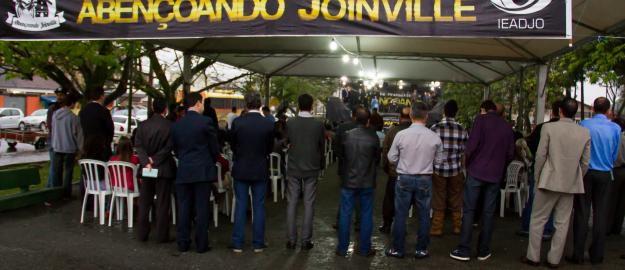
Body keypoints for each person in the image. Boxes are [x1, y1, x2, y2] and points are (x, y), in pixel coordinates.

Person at [521, 98, 590, 268]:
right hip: (570, 183)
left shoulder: (549, 128)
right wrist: (576, 176)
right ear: (576, 113)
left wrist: (537, 178)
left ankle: (533, 257)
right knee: (562, 223)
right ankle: (554, 260)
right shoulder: (584, 133)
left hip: (548, 180)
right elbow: (585, 163)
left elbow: (540, 156)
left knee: (538, 219)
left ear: (560, 111)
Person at [450, 100, 514, 262]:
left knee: (470, 210)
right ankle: (483, 250)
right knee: (488, 213)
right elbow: (510, 153)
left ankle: (464, 249)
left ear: (483, 109)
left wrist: (468, 165)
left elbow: (471, 146)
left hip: (476, 172)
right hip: (495, 176)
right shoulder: (507, 127)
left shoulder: (481, 120)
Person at [385, 102, 442, 259]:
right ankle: (421, 249)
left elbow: (391, 157)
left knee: (401, 214)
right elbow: (439, 162)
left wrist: (402, 164)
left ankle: (398, 249)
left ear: (411, 115)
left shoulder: (401, 135)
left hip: (404, 177)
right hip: (425, 179)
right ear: (426, 117)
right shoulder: (434, 137)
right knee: (424, 215)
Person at [568, 97, 621, 265]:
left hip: (586, 172)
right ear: (608, 110)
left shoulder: (584, 124)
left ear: (593, 108)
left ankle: (577, 254)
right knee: (601, 214)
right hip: (605, 173)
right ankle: (597, 255)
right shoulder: (615, 128)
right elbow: (615, 153)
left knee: (582, 212)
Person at [171, 93, 220, 253]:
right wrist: (211, 160)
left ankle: (183, 242)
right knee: (202, 207)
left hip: (184, 169)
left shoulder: (177, 124)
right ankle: (201, 244)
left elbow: (175, 149)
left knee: (184, 207)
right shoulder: (206, 122)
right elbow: (214, 148)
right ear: (198, 103)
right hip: (203, 170)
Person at [228, 92, 274, 253]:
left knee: (240, 204)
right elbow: (270, 148)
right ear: (260, 104)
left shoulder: (238, 122)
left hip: (241, 167)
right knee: (259, 206)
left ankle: (237, 243)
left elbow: (232, 145)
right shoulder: (268, 123)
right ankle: (258, 243)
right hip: (260, 167)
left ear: (246, 104)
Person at [336, 107, 380, 257]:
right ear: (368, 121)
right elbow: (377, 159)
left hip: (348, 181)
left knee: (345, 214)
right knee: (366, 215)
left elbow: (340, 156)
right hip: (367, 181)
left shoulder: (347, 136)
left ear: (355, 118)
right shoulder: (373, 137)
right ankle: (364, 249)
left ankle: (342, 249)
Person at [285, 94, 325, 250]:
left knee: (292, 203)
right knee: (309, 204)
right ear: (312, 105)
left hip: (294, 167)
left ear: (298, 105)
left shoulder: (291, 122)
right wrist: (321, 164)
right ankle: (305, 240)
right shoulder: (318, 124)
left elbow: (287, 142)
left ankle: (291, 239)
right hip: (312, 168)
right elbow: (321, 147)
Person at [135, 98, 177, 243]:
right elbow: (169, 147)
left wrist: (146, 161)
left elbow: (138, 146)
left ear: (153, 108)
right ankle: (161, 235)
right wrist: (156, 159)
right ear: (165, 108)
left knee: (144, 202)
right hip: (163, 168)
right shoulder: (170, 126)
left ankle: (142, 233)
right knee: (162, 203)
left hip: (146, 168)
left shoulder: (142, 125)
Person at [518, 101, 561, 238]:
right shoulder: (575, 130)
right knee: (554, 203)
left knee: (534, 198)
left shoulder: (543, 128)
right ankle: (547, 230)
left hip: (541, 167)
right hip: (560, 170)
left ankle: (528, 227)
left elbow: (531, 147)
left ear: (553, 111)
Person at [430, 100, 468, 236]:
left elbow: (431, 150)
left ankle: (437, 228)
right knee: (456, 197)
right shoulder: (462, 129)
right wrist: (463, 169)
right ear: (456, 112)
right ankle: (457, 226)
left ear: (444, 112)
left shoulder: (435, 128)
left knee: (439, 198)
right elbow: (464, 152)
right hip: (456, 169)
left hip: (438, 169)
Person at [378, 107, 411, 234]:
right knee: (406, 201)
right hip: (409, 173)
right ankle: (401, 226)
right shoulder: (414, 132)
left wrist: (385, 167)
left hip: (394, 172)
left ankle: (387, 225)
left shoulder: (392, 131)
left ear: (400, 117)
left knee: (389, 199)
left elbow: (385, 150)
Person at [51, 93, 83, 198]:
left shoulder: (55, 115)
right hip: (69, 148)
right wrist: (80, 149)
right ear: (72, 103)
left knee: (56, 172)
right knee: (68, 172)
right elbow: (77, 135)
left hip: (56, 146)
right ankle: (66, 193)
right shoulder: (74, 118)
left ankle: (56, 192)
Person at [79, 87, 114, 162]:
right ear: (101, 96)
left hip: (87, 147)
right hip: (101, 149)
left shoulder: (83, 111)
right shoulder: (104, 111)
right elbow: (110, 130)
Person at [46, 87, 67, 189]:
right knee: (55, 167)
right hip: (54, 140)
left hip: (60, 141)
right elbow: (51, 126)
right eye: (58, 95)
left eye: (61, 94)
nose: (59, 97)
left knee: (57, 167)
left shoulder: (66, 109)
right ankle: (52, 189)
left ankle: (52, 188)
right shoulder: (53, 108)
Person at [607, 118, 625, 235]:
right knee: (622, 202)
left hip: (616, 170)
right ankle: (617, 228)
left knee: (611, 200)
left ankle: (607, 227)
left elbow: (614, 156)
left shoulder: (616, 137)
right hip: (623, 169)